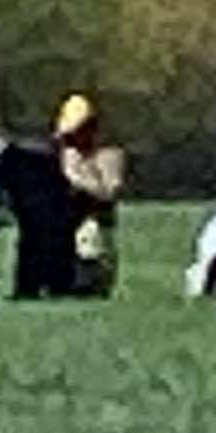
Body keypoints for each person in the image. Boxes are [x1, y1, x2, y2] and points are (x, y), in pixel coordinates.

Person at [0, 121, 74, 300]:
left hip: (42, 153)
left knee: (46, 228)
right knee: (34, 228)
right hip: (25, 152)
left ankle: (49, 283)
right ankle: (36, 284)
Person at [57, 94, 127, 298]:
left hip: (96, 226)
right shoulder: (67, 154)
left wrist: (77, 179)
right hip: (66, 229)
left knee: (91, 275)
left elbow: (109, 192)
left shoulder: (108, 155)